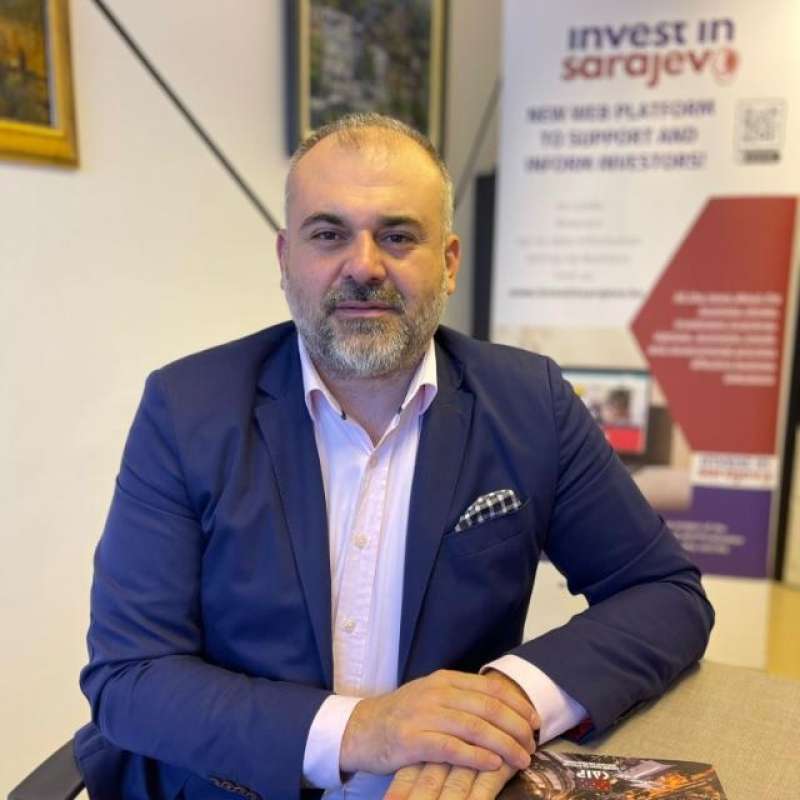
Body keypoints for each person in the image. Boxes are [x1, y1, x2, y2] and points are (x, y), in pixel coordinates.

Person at [75, 114, 714, 800]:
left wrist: (508, 699)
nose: (364, 266)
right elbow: (130, 676)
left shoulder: (530, 402)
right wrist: (363, 729)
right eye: (329, 234)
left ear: (449, 261)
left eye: (398, 235)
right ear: (285, 258)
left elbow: (663, 592)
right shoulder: (187, 408)